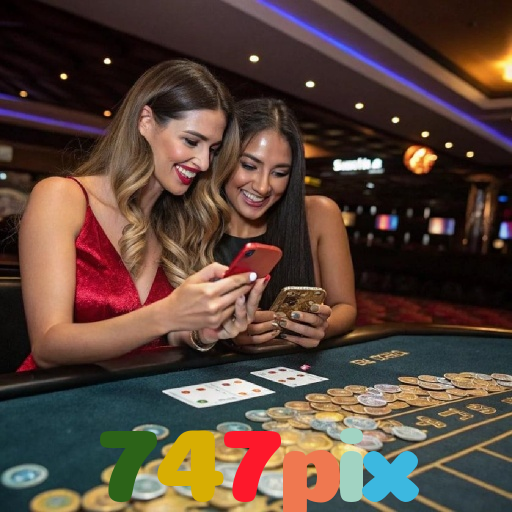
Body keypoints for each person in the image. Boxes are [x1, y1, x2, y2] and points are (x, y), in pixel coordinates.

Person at [17, 60, 267, 371]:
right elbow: (47, 346)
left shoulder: (179, 222)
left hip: (143, 392)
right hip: (57, 394)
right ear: (145, 121)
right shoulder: (61, 197)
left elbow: (165, 338)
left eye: (213, 149)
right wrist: (167, 314)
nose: (204, 163)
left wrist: (203, 333)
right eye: (191, 141)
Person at [215, 98, 357, 348]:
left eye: (279, 173)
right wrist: (226, 334)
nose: (262, 187)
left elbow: (345, 307)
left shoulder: (319, 214)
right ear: (223, 157)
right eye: (249, 165)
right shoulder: (190, 223)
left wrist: (321, 327)